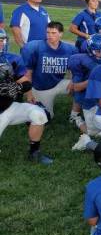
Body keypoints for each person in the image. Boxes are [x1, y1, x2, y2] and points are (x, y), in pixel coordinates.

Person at [0, 29, 50, 163]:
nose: (0, 43)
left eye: (1, 40)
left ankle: (35, 152)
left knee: (38, 114)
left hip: (8, 107)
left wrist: (22, 90)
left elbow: (25, 82)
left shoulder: (12, 59)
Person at [21, 21, 77, 118]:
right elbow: (28, 72)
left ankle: (75, 115)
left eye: (53, 33)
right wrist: (29, 93)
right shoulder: (35, 47)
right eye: (48, 32)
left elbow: (76, 68)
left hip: (59, 83)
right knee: (45, 117)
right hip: (42, 88)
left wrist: (74, 80)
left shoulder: (70, 49)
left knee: (82, 87)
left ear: (61, 34)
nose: (50, 35)